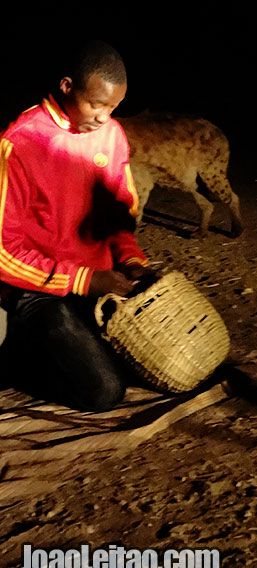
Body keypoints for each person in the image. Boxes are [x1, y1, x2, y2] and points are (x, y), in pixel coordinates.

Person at [0, 40, 156, 411]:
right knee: (103, 392)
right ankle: (13, 359)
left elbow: (119, 219)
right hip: (38, 289)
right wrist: (84, 280)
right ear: (67, 86)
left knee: (145, 366)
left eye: (114, 106)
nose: (105, 116)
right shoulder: (20, 142)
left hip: (96, 279)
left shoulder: (112, 135)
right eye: (97, 104)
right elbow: (3, 252)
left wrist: (133, 262)